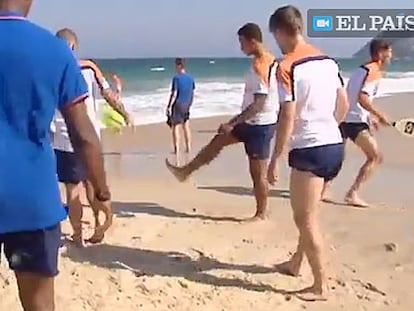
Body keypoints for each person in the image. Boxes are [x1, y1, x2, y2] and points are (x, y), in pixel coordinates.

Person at [0, 1, 112, 310]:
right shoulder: (54, 50)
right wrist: (100, 190)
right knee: (38, 302)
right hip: (31, 200)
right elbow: (84, 134)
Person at [267, 5, 349, 301]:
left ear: (279, 31)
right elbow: (343, 103)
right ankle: (295, 263)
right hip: (334, 146)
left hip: (310, 150)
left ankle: (320, 285)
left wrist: (275, 158)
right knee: (310, 212)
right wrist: (329, 127)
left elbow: (287, 115)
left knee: (305, 218)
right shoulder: (328, 60)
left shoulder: (286, 66)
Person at [166, 23, 278, 221]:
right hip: (251, 121)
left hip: (261, 124)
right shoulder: (267, 60)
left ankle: (261, 213)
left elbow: (259, 103)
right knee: (218, 140)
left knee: (257, 172)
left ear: (252, 41)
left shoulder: (262, 65)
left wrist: (232, 123)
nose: (240, 46)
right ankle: (185, 171)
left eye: (242, 42)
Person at [52, 28, 131, 246]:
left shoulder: (47, 69)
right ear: (74, 46)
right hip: (88, 136)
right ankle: (100, 224)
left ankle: (77, 235)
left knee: (71, 189)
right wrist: (125, 114)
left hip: (61, 138)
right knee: (92, 185)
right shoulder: (88, 67)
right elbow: (108, 95)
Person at [335, 39, 392, 207]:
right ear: (381, 53)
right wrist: (380, 115)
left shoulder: (361, 69)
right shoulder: (374, 72)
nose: (390, 57)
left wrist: (370, 117)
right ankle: (352, 193)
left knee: (337, 158)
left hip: (343, 117)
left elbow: (351, 96)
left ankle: (321, 190)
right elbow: (362, 97)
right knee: (375, 157)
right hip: (354, 122)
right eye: (389, 53)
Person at [166, 58, 195, 163]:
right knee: (186, 125)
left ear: (179, 66)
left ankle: (177, 149)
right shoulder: (191, 78)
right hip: (186, 104)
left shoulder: (176, 78)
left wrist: (169, 106)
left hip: (178, 104)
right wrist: (190, 103)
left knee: (175, 127)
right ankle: (188, 147)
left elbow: (174, 93)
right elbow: (192, 93)